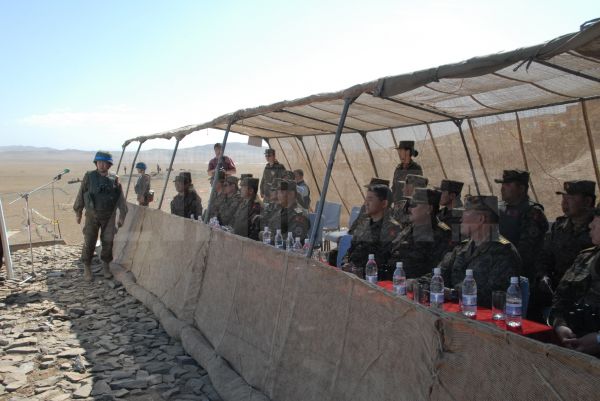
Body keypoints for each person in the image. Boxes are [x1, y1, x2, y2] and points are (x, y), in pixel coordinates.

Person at [436, 195, 521, 307]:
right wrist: (419, 283)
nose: (461, 219)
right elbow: (438, 275)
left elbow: (495, 296)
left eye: (465, 213)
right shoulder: (462, 248)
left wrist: (453, 294)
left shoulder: (503, 252)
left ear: (481, 219)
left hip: (482, 315)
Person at [532, 180, 596, 322]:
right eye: (563, 198)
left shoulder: (596, 230)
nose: (564, 203)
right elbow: (544, 256)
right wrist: (543, 275)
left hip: (585, 298)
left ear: (587, 201)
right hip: (555, 290)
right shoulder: (559, 226)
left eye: (570, 198)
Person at [549, 204, 600, 356]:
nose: (590, 225)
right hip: (573, 345)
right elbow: (560, 298)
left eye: (597, 220)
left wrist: (598, 340)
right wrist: (560, 325)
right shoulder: (585, 257)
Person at [73, 151, 127, 281]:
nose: (102, 165)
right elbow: (81, 193)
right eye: (99, 162)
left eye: (105, 163)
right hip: (92, 215)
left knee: (108, 242)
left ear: (109, 165)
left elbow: (120, 198)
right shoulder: (89, 176)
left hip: (109, 216)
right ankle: (87, 267)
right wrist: (78, 212)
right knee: (89, 241)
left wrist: (122, 215)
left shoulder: (114, 178)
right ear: (96, 163)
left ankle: (106, 266)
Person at [496, 169, 548, 286]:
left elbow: (527, 251)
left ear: (521, 189)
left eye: (508, 185)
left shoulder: (532, 212)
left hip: (521, 274)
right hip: (499, 268)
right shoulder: (499, 208)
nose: (502, 188)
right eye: (502, 184)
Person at [389, 188, 453, 278]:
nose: (409, 209)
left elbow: (437, 270)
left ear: (429, 209)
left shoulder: (441, 234)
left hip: (416, 283)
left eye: (414, 205)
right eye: (409, 204)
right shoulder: (409, 228)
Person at [342, 184, 402, 280]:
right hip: (352, 275)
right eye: (366, 199)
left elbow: (384, 259)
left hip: (371, 278)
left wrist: (360, 270)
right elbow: (351, 249)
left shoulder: (392, 228)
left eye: (370, 199)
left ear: (384, 204)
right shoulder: (363, 223)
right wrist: (345, 263)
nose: (366, 203)